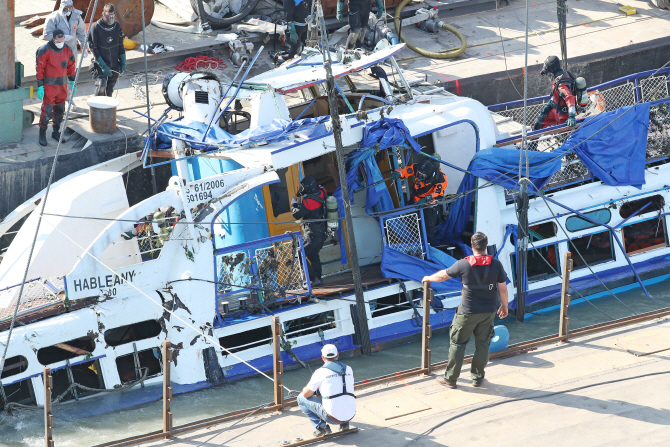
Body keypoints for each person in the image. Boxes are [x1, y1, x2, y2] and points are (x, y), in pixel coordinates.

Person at [422, 232, 509, 388]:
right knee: (483, 344)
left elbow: (443, 276)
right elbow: (502, 289)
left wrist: (428, 278)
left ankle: (450, 379)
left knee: (458, 343)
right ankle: (477, 378)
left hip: (467, 312)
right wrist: (505, 306)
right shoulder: (496, 264)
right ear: (486, 246)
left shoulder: (463, 264)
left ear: (472, 246)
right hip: (488, 311)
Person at [297, 344, 356, 437]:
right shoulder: (349, 369)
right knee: (343, 393)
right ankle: (345, 423)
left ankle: (321, 427)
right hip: (351, 413)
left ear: (322, 357)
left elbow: (306, 394)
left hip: (332, 418)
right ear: (338, 355)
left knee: (300, 398)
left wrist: (305, 389)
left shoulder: (320, 372)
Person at [36, 29, 76, 147]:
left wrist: (73, 81)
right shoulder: (44, 50)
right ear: (53, 39)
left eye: (62, 40)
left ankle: (56, 131)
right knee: (47, 111)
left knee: (60, 111)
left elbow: (71, 66)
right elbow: (40, 69)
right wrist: (40, 86)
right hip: (49, 86)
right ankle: (42, 134)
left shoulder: (67, 50)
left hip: (62, 86)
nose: (61, 43)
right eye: (59, 41)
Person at [43, 0, 86, 110]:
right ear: (62, 7)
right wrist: (62, 38)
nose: (68, 9)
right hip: (56, 53)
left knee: (70, 77)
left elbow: (81, 31)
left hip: (71, 53)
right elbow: (46, 34)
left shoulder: (76, 16)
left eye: (70, 7)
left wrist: (83, 45)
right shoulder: (53, 18)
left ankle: (69, 100)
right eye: (66, 7)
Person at [391, 159, 447, 244]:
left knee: (429, 227)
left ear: (428, 174)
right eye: (419, 174)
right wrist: (399, 174)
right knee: (412, 225)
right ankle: (415, 245)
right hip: (415, 202)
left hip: (429, 204)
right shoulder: (417, 167)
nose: (420, 176)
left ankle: (429, 248)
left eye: (423, 175)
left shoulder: (440, 177)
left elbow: (438, 192)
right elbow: (407, 170)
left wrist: (426, 199)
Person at [291, 177, 328, 287]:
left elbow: (296, 214)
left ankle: (313, 279)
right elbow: (321, 188)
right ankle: (318, 279)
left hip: (312, 234)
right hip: (322, 233)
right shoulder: (322, 192)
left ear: (308, 188)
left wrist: (294, 205)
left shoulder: (309, 201)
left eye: (303, 187)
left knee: (299, 253)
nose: (301, 189)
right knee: (313, 254)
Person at [88, 4, 126, 97]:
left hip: (113, 62)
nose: (110, 18)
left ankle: (107, 109)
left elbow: (120, 45)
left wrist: (123, 62)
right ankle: (96, 108)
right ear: (103, 13)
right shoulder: (96, 27)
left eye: (112, 16)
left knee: (110, 88)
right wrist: (103, 66)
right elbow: (93, 48)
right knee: (102, 85)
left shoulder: (117, 25)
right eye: (108, 16)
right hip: (100, 63)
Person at [533, 55, 577, 130]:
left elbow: (569, 98)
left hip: (563, 113)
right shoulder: (557, 77)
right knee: (540, 122)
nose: (548, 74)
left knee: (563, 134)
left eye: (549, 71)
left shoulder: (561, 84)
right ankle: (532, 141)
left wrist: (572, 116)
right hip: (554, 109)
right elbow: (555, 94)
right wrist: (548, 106)